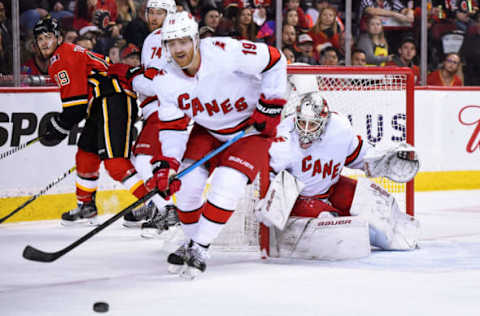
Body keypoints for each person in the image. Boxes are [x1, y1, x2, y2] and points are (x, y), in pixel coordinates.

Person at [132, 11, 287, 278]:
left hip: (250, 129)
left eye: (183, 41)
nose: (178, 48)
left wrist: (271, 104)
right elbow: (173, 128)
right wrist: (168, 164)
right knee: (188, 186)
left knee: (227, 183)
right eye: (171, 43)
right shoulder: (166, 80)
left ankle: (201, 247)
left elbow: (275, 59)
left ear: (195, 39)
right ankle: (191, 242)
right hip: (209, 130)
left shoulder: (225, 51)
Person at [33, 16, 165, 225]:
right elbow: (78, 105)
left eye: (48, 37)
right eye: (40, 39)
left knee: (115, 163)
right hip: (103, 101)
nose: (44, 43)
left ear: (58, 38)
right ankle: (86, 207)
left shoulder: (60, 58)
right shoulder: (67, 52)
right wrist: (59, 125)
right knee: (86, 154)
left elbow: (75, 109)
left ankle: (157, 205)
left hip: (112, 98)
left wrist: (57, 127)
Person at [262, 90, 420, 258]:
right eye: (302, 123)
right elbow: (271, 181)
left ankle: (401, 235)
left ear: (324, 121)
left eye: (313, 124)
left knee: (375, 201)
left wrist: (382, 162)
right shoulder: (283, 137)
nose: (306, 130)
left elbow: (361, 157)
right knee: (332, 225)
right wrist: (269, 202)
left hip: (331, 188)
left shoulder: (339, 129)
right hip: (298, 199)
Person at [123, 0, 179, 231]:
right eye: (151, 12)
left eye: (160, 12)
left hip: (162, 109)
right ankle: (156, 204)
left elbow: (156, 85)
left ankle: (166, 208)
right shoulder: (167, 37)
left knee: (144, 160)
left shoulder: (157, 38)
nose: (154, 17)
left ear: (171, 14)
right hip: (167, 109)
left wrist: (133, 77)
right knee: (157, 163)